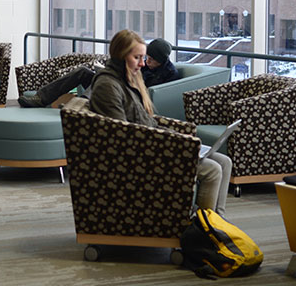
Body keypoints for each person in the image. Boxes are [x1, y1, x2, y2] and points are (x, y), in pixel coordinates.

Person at [89, 29, 232, 216]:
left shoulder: (128, 80)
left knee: (225, 161)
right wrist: (171, 142)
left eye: (143, 57)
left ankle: (218, 222)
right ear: (121, 56)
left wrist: (176, 137)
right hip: (142, 153)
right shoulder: (108, 86)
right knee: (212, 169)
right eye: (137, 58)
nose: (142, 64)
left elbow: (143, 123)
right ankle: (203, 228)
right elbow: (123, 136)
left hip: (151, 142)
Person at [18, 37, 180, 108]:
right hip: (118, 89)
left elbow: (145, 94)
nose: (146, 62)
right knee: (83, 72)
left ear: (162, 60)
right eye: (146, 57)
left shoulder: (169, 74)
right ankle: (41, 98)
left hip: (129, 98)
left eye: (151, 60)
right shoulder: (144, 64)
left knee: (102, 80)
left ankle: (79, 107)